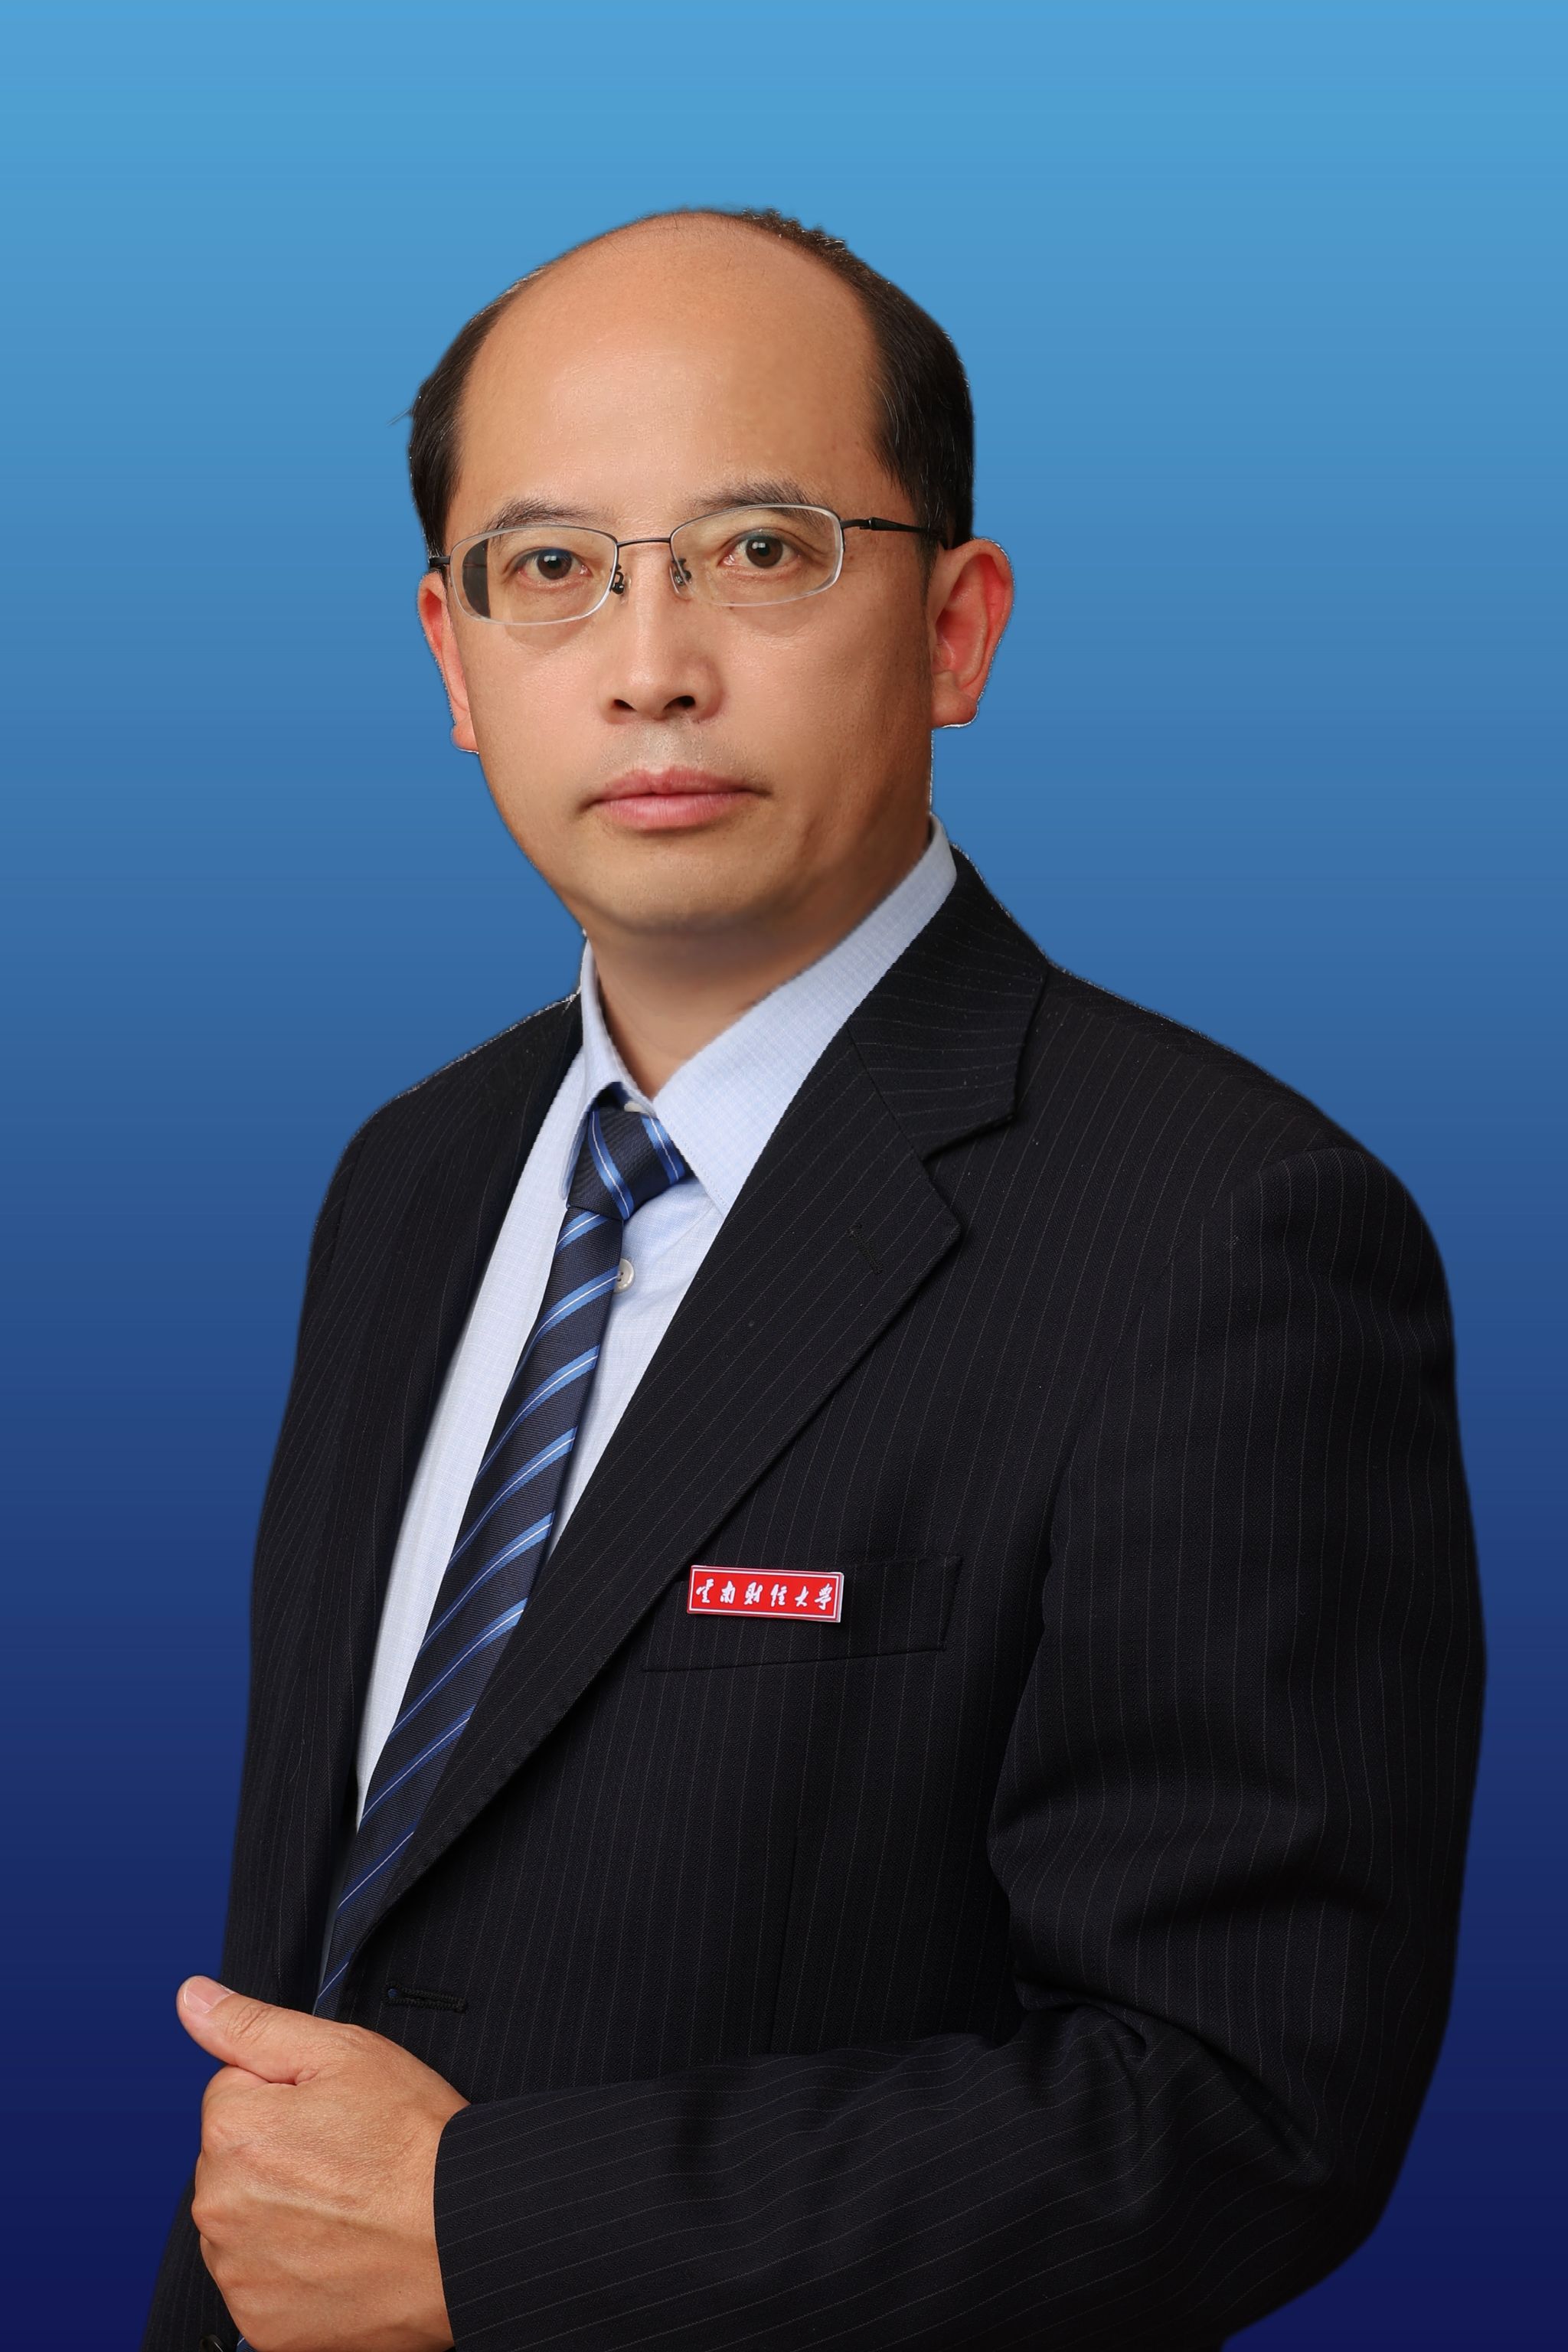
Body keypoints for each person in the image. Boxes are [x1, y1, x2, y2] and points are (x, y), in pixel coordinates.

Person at [143, 207, 1483, 2352]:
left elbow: (1243, 2110)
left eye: (760, 551)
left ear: (956, 628)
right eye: (552, 567)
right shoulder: (407, 1181)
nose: (649, 664)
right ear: (453, 659)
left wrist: (498, 2231)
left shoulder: (1224, 1229)